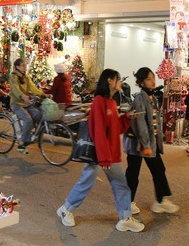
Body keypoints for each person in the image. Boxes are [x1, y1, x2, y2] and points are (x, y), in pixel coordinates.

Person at [56, 69, 144, 232]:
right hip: (99, 154)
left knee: (121, 185)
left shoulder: (111, 102)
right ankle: (66, 209)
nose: (121, 83)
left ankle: (125, 218)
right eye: (118, 80)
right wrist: (103, 157)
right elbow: (99, 132)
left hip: (111, 154)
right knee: (87, 181)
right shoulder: (99, 101)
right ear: (109, 81)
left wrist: (126, 118)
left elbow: (114, 128)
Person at [124, 67, 179, 214]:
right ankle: (127, 204)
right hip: (138, 145)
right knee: (133, 174)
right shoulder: (140, 99)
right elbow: (140, 125)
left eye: (153, 77)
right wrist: (146, 145)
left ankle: (160, 201)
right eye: (148, 79)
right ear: (141, 82)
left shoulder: (152, 98)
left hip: (149, 144)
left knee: (158, 169)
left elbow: (155, 123)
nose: (153, 81)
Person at [10, 58, 45, 154]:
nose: (25, 67)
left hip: (26, 103)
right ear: (17, 67)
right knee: (28, 120)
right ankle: (21, 143)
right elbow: (15, 88)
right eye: (23, 65)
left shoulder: (26, 77)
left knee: (39, 114)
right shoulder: (13, 76)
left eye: (25, 65)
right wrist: (22, 95)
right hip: (16, 103)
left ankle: (28, 133)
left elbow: (32, 87)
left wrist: (42, 94)